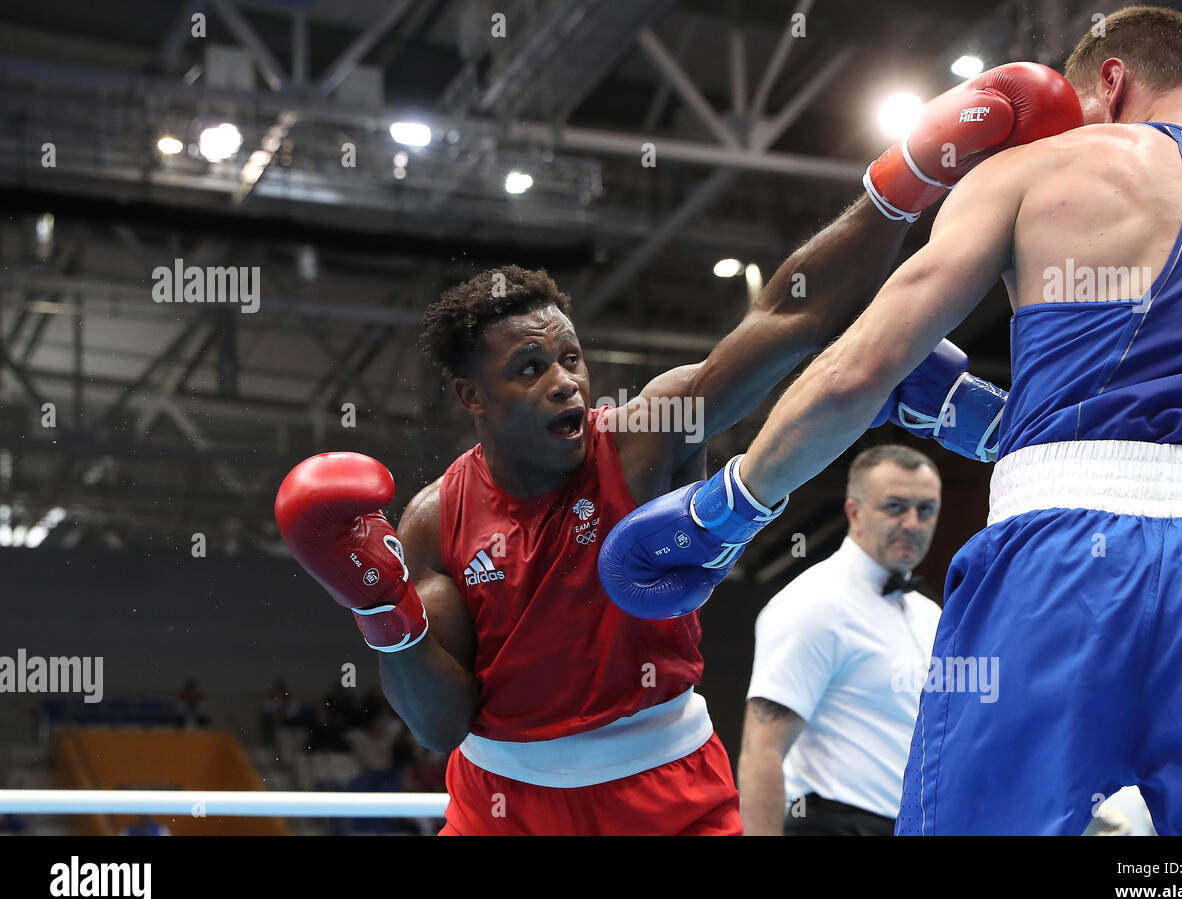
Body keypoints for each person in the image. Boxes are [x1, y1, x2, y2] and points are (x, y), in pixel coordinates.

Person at [276, 61, 1082, 836]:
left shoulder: (641, 435)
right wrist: (381, 611)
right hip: (504, 806)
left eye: (571, 359)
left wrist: (902, 180)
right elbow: (438, 726)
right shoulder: (433, 522)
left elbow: (784, 317)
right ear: (472, 397)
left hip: (666, 794)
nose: (566, 383)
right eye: (529, 369)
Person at [601, 6, 1182, 835]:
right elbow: (1178, 423)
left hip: (1062, 563)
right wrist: (1007, 428)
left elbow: (856, 370)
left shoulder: (1040, 168)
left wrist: (729, 504)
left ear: (1109, 83)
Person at [739, 446, 943, 836]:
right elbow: (761, 752)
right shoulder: (815, 603)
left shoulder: (927, 613)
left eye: (926, 509)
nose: (912, 523)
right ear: (854, 512)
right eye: (895, 507)